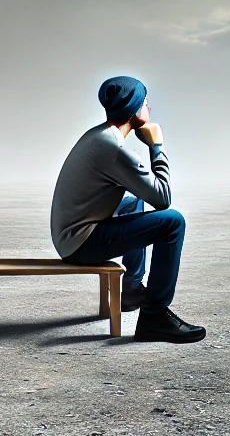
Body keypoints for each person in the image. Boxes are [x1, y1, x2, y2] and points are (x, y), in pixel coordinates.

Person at [50, 75, 206, 343]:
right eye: (146, 101)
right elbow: (163, 197)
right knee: (173, 222)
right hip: (79, 244)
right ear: (135, 109)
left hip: (70, 237)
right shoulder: (114, 148)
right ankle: (154, 317)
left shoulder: (101, 136)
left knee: (133, 201)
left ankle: (132, 290)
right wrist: (157, 146)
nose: (149, 107)